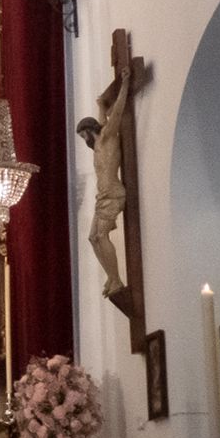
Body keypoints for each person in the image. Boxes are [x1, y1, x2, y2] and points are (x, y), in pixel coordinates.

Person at [78, 69, 130, 297]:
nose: (84, 140)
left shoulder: (108, 136)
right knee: (92, 237)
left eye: (84, 135)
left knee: (101, 236)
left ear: (90, 131)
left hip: (113, 193)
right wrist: (100, 104)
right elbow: (103, 116)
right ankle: (111, 277)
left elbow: (116, 113)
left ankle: (117, 279)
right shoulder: (98, 144)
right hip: (103, 196)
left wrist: (126, 84)